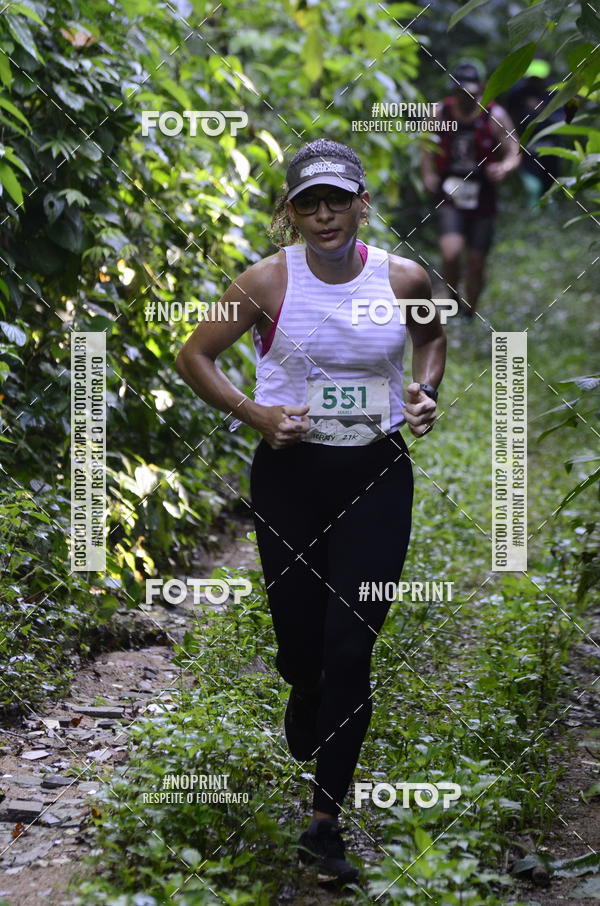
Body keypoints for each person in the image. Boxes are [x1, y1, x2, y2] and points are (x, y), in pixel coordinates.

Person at [175, 138, 446, 885]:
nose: (324, 215)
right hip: (290, 478)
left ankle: (324, 823)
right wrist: (253, 411)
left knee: (352, 644)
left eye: (337, 200)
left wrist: (426, 393)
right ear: (289, 212)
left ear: (363, 202)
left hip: (377, 473)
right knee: (304, 645)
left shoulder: (405, 276)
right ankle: (304, 680)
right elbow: (194, 354)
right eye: (308, 203)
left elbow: (431, 338)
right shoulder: (264, 282)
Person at [421, 60, 521, 319]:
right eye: (460, 92)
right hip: (451, 192)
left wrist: (505, 168)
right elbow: (425, 146)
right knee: (450, 252)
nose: (466, 98)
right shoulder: (439, 112)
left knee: (476, 262)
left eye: (472, 93)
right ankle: (452, 297)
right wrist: (428, 172)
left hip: (483, 194)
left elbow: (513, 150)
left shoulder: (494, 115)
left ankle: (469, 313)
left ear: (482, 90)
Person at [505, 59, 564, 206]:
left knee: (549, 185)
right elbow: (509, 111)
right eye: (532, 79)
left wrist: (540, 110)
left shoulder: (554, 93)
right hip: (528, 146)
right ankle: (531, 214)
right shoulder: (519, 92)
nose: (535, 82)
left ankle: (551, 217)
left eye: (538, 79)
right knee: (532, 186)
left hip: (550, 146)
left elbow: (561, 121)